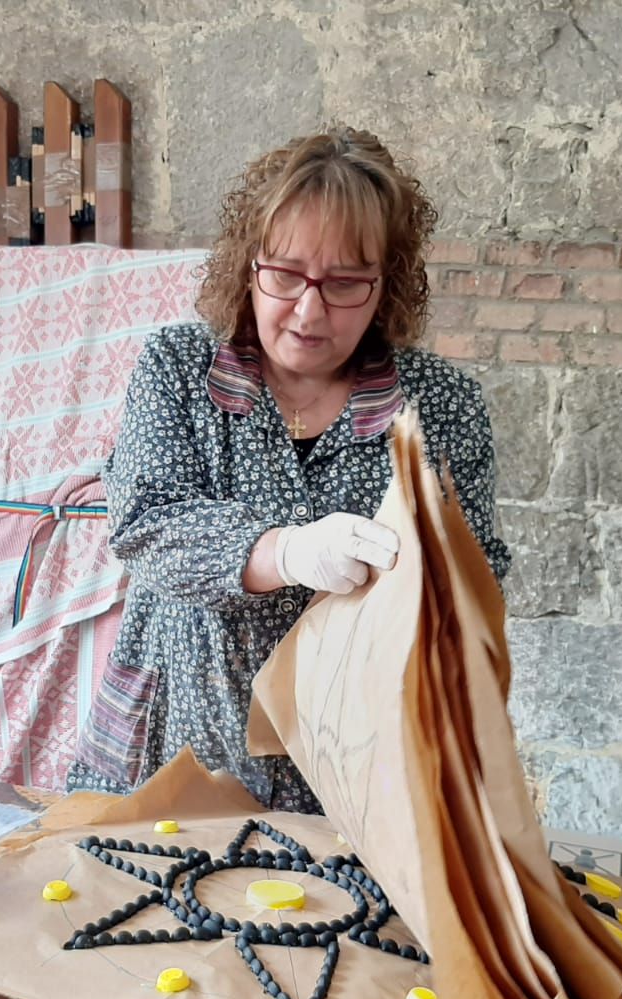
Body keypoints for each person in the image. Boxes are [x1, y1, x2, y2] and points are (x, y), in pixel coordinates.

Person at [67, 127, 510, 814]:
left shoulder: (439, 406)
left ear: (386, 285)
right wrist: (289, 551)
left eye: (344, 284)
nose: (309, 311)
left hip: (357, 775)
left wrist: (421, 585)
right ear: (249, 264)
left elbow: (475, 577)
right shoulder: (180, 370)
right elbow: (148, 525)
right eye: (285, 275)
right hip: (182, 750)